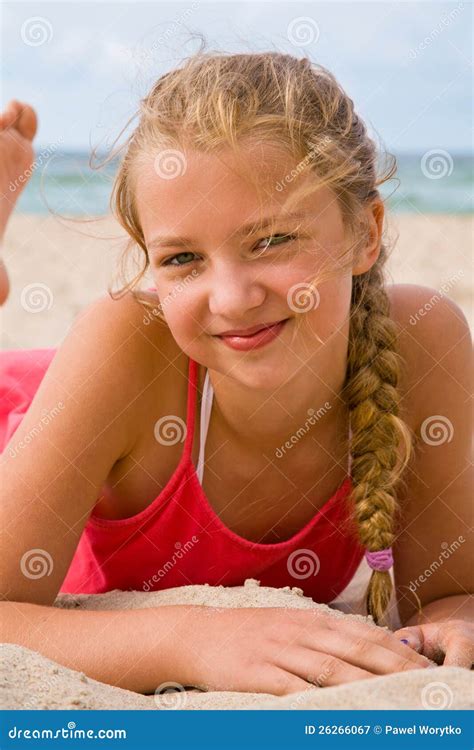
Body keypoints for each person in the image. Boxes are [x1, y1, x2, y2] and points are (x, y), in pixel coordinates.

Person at [0, 52, 472, 696]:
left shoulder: (419, 340)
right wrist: (188, 636)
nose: (230, 298)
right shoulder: (126, 342)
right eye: (183, 257)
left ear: (366, 230)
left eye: (271, 241)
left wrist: (452, 620)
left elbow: (448, 594)